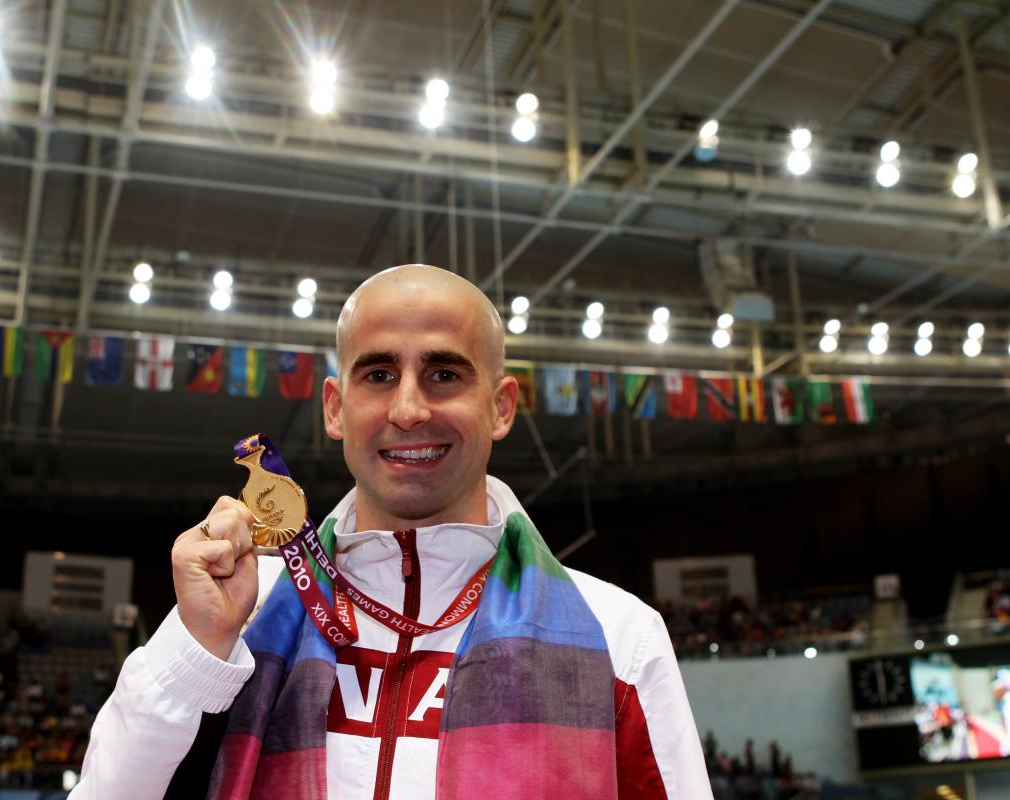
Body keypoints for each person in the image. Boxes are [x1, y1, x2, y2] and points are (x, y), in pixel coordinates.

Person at [72, 265, 711, 799]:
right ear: (334, 407)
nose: (408, 410)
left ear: (500, 407)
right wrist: (197, 648)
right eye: (378, 375)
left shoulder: (617, 637)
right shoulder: (245, 611)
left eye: (445, 375)